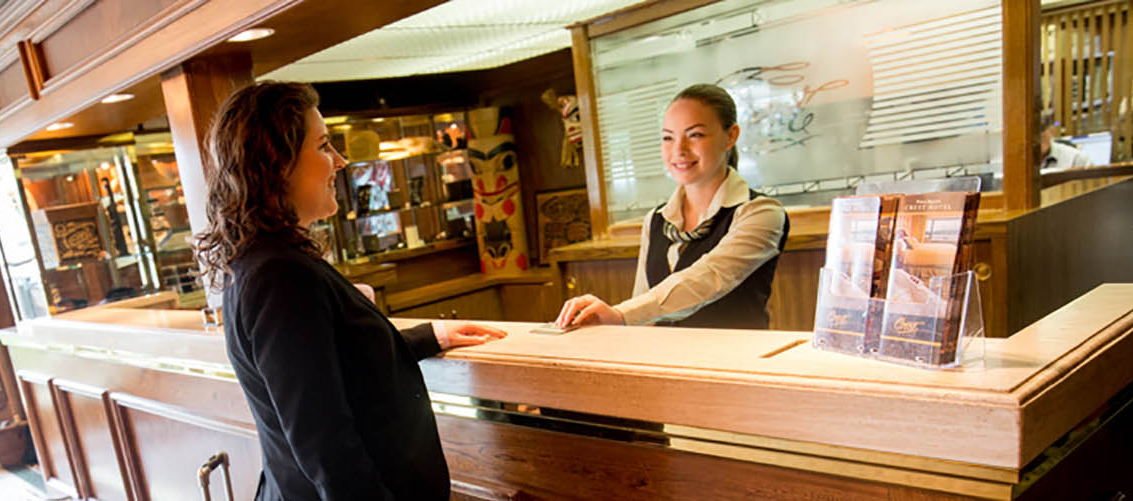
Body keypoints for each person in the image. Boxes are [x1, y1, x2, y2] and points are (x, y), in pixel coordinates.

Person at [193, 81, 507, 501]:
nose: (340, 161)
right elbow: (327, 447)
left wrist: (432, 336)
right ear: (276, 162)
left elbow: (335, 361)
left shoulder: (266, 261)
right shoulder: (280, 274)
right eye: (323, 146)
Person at [556, 83, 789, 330]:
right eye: (668, 137)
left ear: (730, 136)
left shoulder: (761, 213)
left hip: (732, 364)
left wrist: (620, 314)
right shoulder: (656, 220)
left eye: (695, 135)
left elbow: (708, 279)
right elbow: (643, 310)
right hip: (667, 363)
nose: (679, 150)